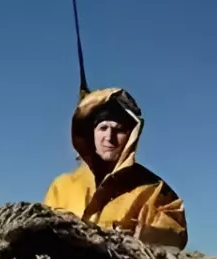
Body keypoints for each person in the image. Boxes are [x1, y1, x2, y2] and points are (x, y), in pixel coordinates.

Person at [42, 88, 187, 249]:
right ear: (92, 134)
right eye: (103, 128)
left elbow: (169, 243)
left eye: (118, 130)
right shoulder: (61, 187)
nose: (109, 137)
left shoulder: (155, 192)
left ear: (132, 135)